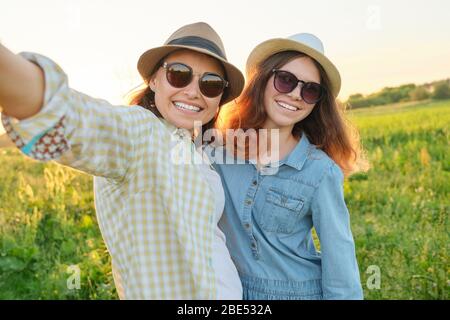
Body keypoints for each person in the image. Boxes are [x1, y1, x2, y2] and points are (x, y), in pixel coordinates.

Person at [0, 22, 244, 299]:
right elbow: (73, 116)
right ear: (154, 80)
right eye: (179, 74)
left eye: (210, 84)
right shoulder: (141, 134)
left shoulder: (196, 152)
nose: (193, 91)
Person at [212, 33, 368, 299]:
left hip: (300, 292)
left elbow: (339, 256)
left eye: (310, 90)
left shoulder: (320, 171)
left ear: (317, 103)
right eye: (286, 80)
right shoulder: (219, 152)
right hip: (231, 292)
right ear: (262, 80)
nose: (296, 94)